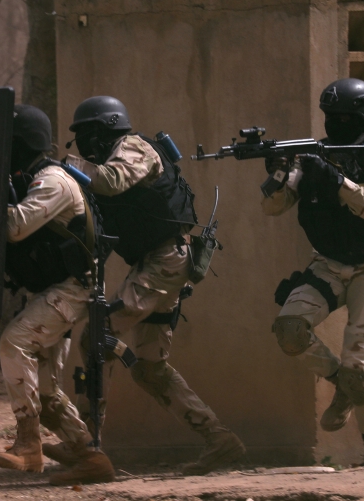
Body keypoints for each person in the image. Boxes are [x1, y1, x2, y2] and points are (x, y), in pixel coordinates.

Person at [64, 96, 246, 475]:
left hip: (166, 263)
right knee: (149, 369)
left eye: (87, 134)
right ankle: (219, 440)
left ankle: (88, 447)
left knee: (95, 337)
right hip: (158, 264)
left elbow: (111, 182)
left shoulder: (133, 148)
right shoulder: (108, 161)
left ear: (107, 129)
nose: (83, 144)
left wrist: (62, 164)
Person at [261, 78, 364, 465]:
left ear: (362, 118)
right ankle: (342, 384)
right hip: (328, 262)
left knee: (358, 363)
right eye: (330, 117)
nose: (335, 124)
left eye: (344, 118)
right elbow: (273, 208)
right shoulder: (312, 157)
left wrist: (338, 182)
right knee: (290, 329)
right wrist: (277, 173)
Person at [0, 104, 115, 485]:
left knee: (15, 342)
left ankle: (28, 446)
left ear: (22, 143)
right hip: (55, 289)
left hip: (75, 288)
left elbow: (14, 226)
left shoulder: (53, 181)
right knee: (44, 392)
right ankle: (90, 457)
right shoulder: (29, 178)